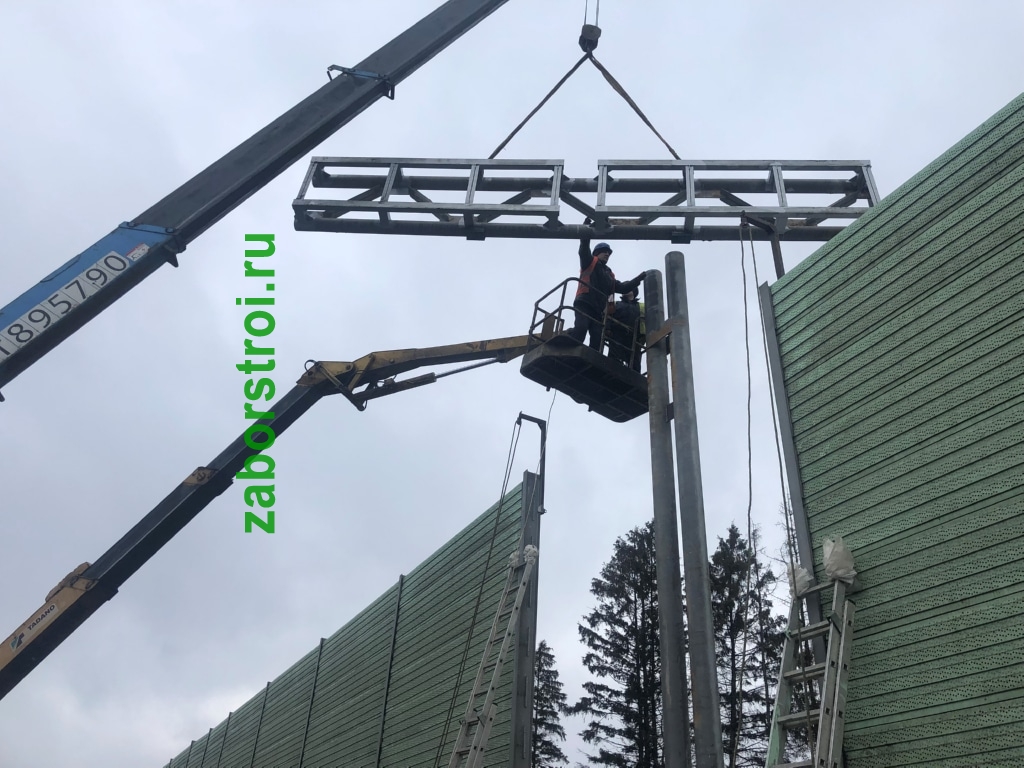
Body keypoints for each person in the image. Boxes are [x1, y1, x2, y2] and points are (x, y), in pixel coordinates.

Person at [568, 238, 646, 351]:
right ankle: (566, 342)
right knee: (580, 330)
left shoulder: (610, 276)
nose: (607, 254)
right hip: (585, 303)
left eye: (609, 253)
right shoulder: (589, 261)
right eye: (604, 251)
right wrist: (585, 237)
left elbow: (623, 288)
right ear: (597, 253)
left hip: (598, 310)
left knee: (597, 340)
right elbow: (583, 251)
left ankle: (591, 360)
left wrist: (638, 279)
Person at [606, 289, 645, 371]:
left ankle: (634, 376)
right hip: (617, 334)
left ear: (634, 292)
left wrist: (643, 336)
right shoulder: (616, 303)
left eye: (629, 288)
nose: (626, 290)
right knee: (613, 360)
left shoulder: (641, 306)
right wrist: (607, 328)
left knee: (635, 365)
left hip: (634, 338)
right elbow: (608, 316)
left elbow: (646, 321)